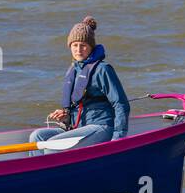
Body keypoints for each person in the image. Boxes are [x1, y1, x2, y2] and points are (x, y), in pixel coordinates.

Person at [29, 16, 130, 147]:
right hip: (80, 127)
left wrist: (118, 138)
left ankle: (56, 166)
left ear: (91, 47)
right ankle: (41, 167)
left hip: (101, 126)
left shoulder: (102, 69)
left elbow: (121, 104)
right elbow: (78, 107)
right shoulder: (73, 70)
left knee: (54, 144)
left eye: (83, 45)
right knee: (37, 136)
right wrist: (66, 117)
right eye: (75, 45)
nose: (78, 49)